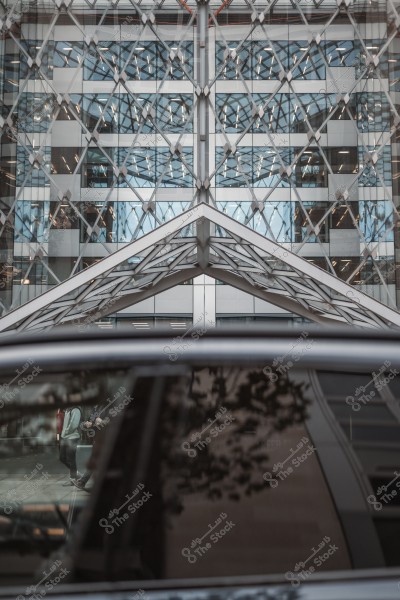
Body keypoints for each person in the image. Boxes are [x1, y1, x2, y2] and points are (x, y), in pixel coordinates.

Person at [59, 405, 81, 486]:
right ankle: (76, 473)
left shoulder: (76, 410)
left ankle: (73, 479)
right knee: (62, 458)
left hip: (72, 437)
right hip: (64, 437)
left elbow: (74, 425)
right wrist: (63, 434)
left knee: (71, 459)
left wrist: (66, 431)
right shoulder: (68, 410)